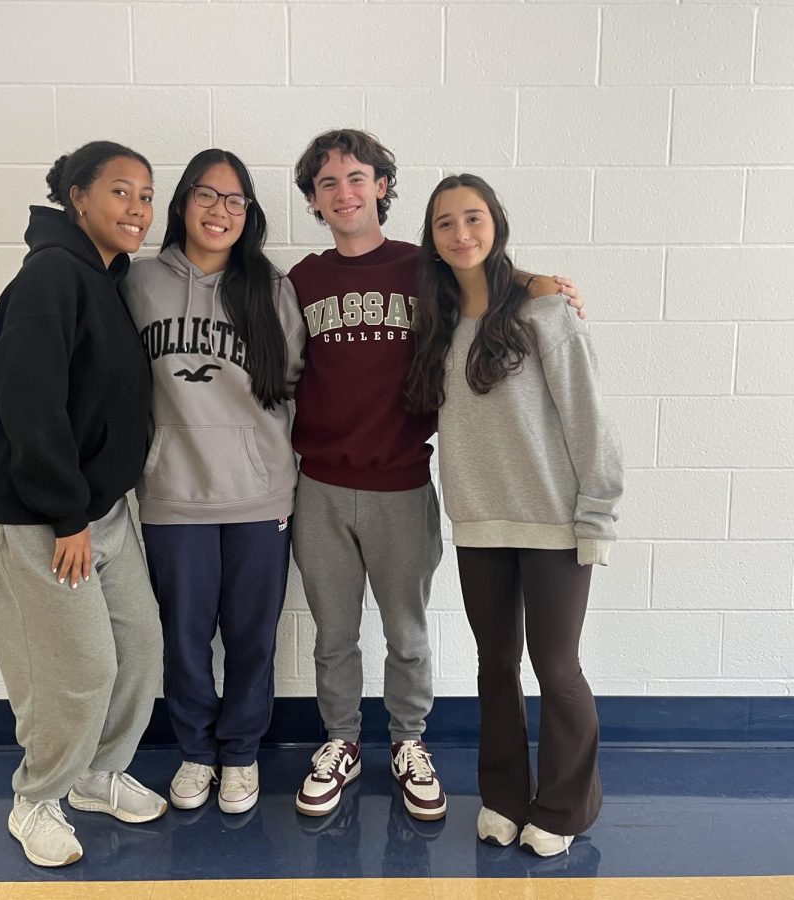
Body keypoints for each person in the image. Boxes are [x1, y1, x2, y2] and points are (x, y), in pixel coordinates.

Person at [287, 130, 586, 821]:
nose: (344, 192)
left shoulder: (425, 268)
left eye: (357, 178)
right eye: (328, 183)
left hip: (402, 483)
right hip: (321, 486)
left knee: (407, 633)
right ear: (314, 199)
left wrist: (543, 284)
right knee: (333, 635)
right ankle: (341, 742)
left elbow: (490, 277)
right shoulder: (302, 280)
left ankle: (409, 742)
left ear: (383, 187)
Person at [404, 174, 623, 857]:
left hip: (555, 523)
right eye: (445, 223)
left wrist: (598, 515)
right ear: (433, 240)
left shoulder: (545, 309)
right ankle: (503, 797)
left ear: (496, 224)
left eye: (473, 218)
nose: (461, 232)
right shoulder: (436, 324)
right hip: (479, 526)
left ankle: (563, 806)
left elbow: (589, 420)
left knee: (557, 667)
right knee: (494, 665)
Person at [0, 141, 166, 868]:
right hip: (43, 518)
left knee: (140, 648)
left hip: (98, 510)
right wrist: (66, 514)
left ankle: (93, 775)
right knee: (79, 670)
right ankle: (36, 796)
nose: (138, 208)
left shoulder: (105, 278)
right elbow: (29, 399)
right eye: (121, 192)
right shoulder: (51, 276)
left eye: (146, 195)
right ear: (77, 198)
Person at [124, 149, 305, 816]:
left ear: (248, 214)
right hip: (173, 494)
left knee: (254, 637)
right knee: (185, 636)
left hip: (260, 497)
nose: (221, 210)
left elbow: (291, 386)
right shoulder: (138, 285)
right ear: (182, 204)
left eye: (235, 200)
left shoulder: (271, 288)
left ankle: (241, 755)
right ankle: (197, 751)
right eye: (208, 195)